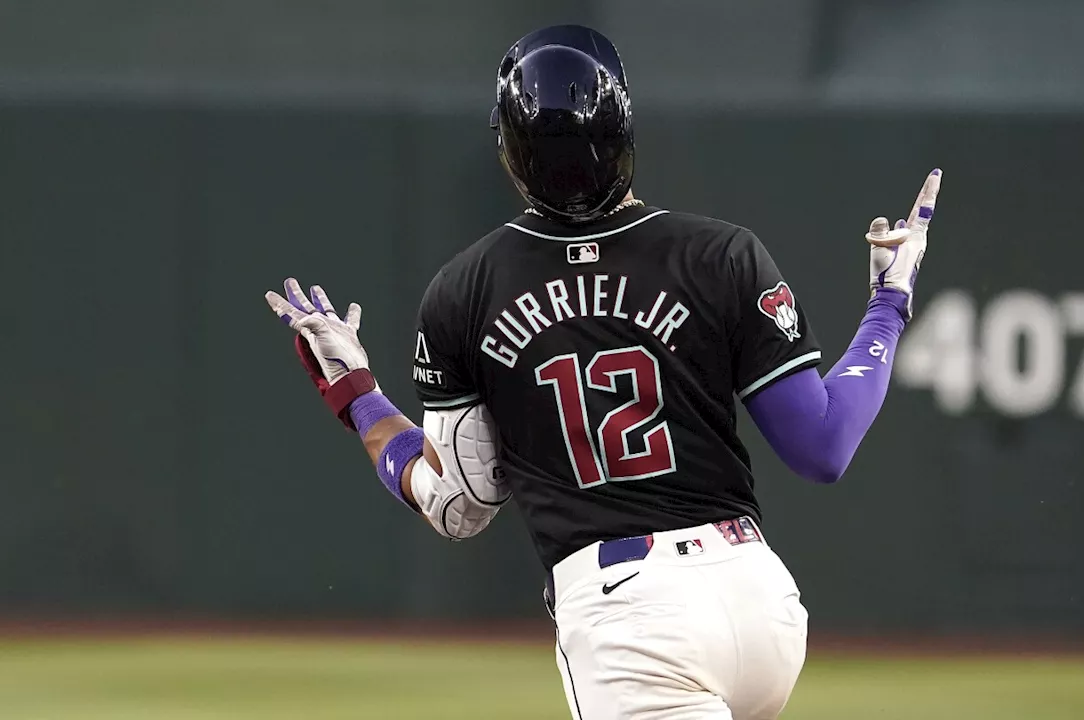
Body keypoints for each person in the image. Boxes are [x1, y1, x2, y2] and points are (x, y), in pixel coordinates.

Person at [265, 24, 941, 720]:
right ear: (622, 130)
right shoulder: (721, 254)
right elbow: (823, 447)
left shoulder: (464, 290)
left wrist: (360, 399)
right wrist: (888, 305)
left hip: (630, 617)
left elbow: (457, 506)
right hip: (758, 598)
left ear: (511, 150)